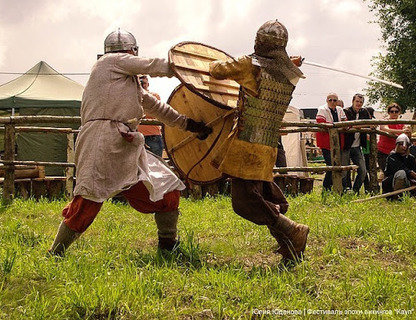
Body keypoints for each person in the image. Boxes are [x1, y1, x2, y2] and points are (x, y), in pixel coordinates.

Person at [48, 29, 212, 256]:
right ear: (131, 52)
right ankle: (55, 253)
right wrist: (184, 66)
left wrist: (189, 125)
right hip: (101, 141)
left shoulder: (127, 83)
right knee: (88, 201)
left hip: (127, 146)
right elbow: (153, 65)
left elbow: (157, 108)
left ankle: (167, 247)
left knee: (167, 189)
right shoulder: (109, 63)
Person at [209, 20, 309, 263]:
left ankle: (293, 230)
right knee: (258, 195)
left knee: (244, 203)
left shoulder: (248, 65)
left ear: (258, 41)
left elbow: (216, 69)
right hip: (268, 146)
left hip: (246, 143)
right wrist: (291, 63)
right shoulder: (290, 73)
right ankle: (289, 246)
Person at [316, 93, 348, 191]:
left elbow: (345, 123)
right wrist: (336, 126)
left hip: (338, 142)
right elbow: (321, 123)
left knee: (335, 165)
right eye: (330, 100)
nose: (333, 102)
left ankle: (332, 188)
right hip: (326, 142)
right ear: (327, 100)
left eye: (335, 100)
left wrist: (334, 126)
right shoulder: (322, 109)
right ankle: (326, 188)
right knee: (331, 165)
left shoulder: (340, 110)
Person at [343, 94, 372, 193]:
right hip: (346, 145)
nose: (359, 104)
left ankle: (355, 190)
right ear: (353, 101)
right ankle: (347, 190)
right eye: (357, 101)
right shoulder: (346, 111)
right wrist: (359, 126)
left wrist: (358, 126)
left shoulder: (364, 111)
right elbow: (345, 126)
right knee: (345, 170)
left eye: (361, 102)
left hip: (357, 146)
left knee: (363, 171)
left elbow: (370, 124)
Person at [377, 103, 410, 175]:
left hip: (396, 153)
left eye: (396, 111)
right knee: (386, 173)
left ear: (399, 112)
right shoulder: (385, 120)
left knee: (396, 173)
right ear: (389, 112)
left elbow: (406, 133)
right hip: (383, 152)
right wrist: (401, 132)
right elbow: (385, 129)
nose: (394, 113)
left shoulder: (401, 123)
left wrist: (404, 131)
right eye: (392, 111)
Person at [137, 75, 164, 157]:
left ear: (148, 84)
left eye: (144, 83)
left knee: (155, 166)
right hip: (137, 137)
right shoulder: (133, 97)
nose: (142, 85)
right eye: (140, 83)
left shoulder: (154, 96)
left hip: (152, 136)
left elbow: (155, 112)